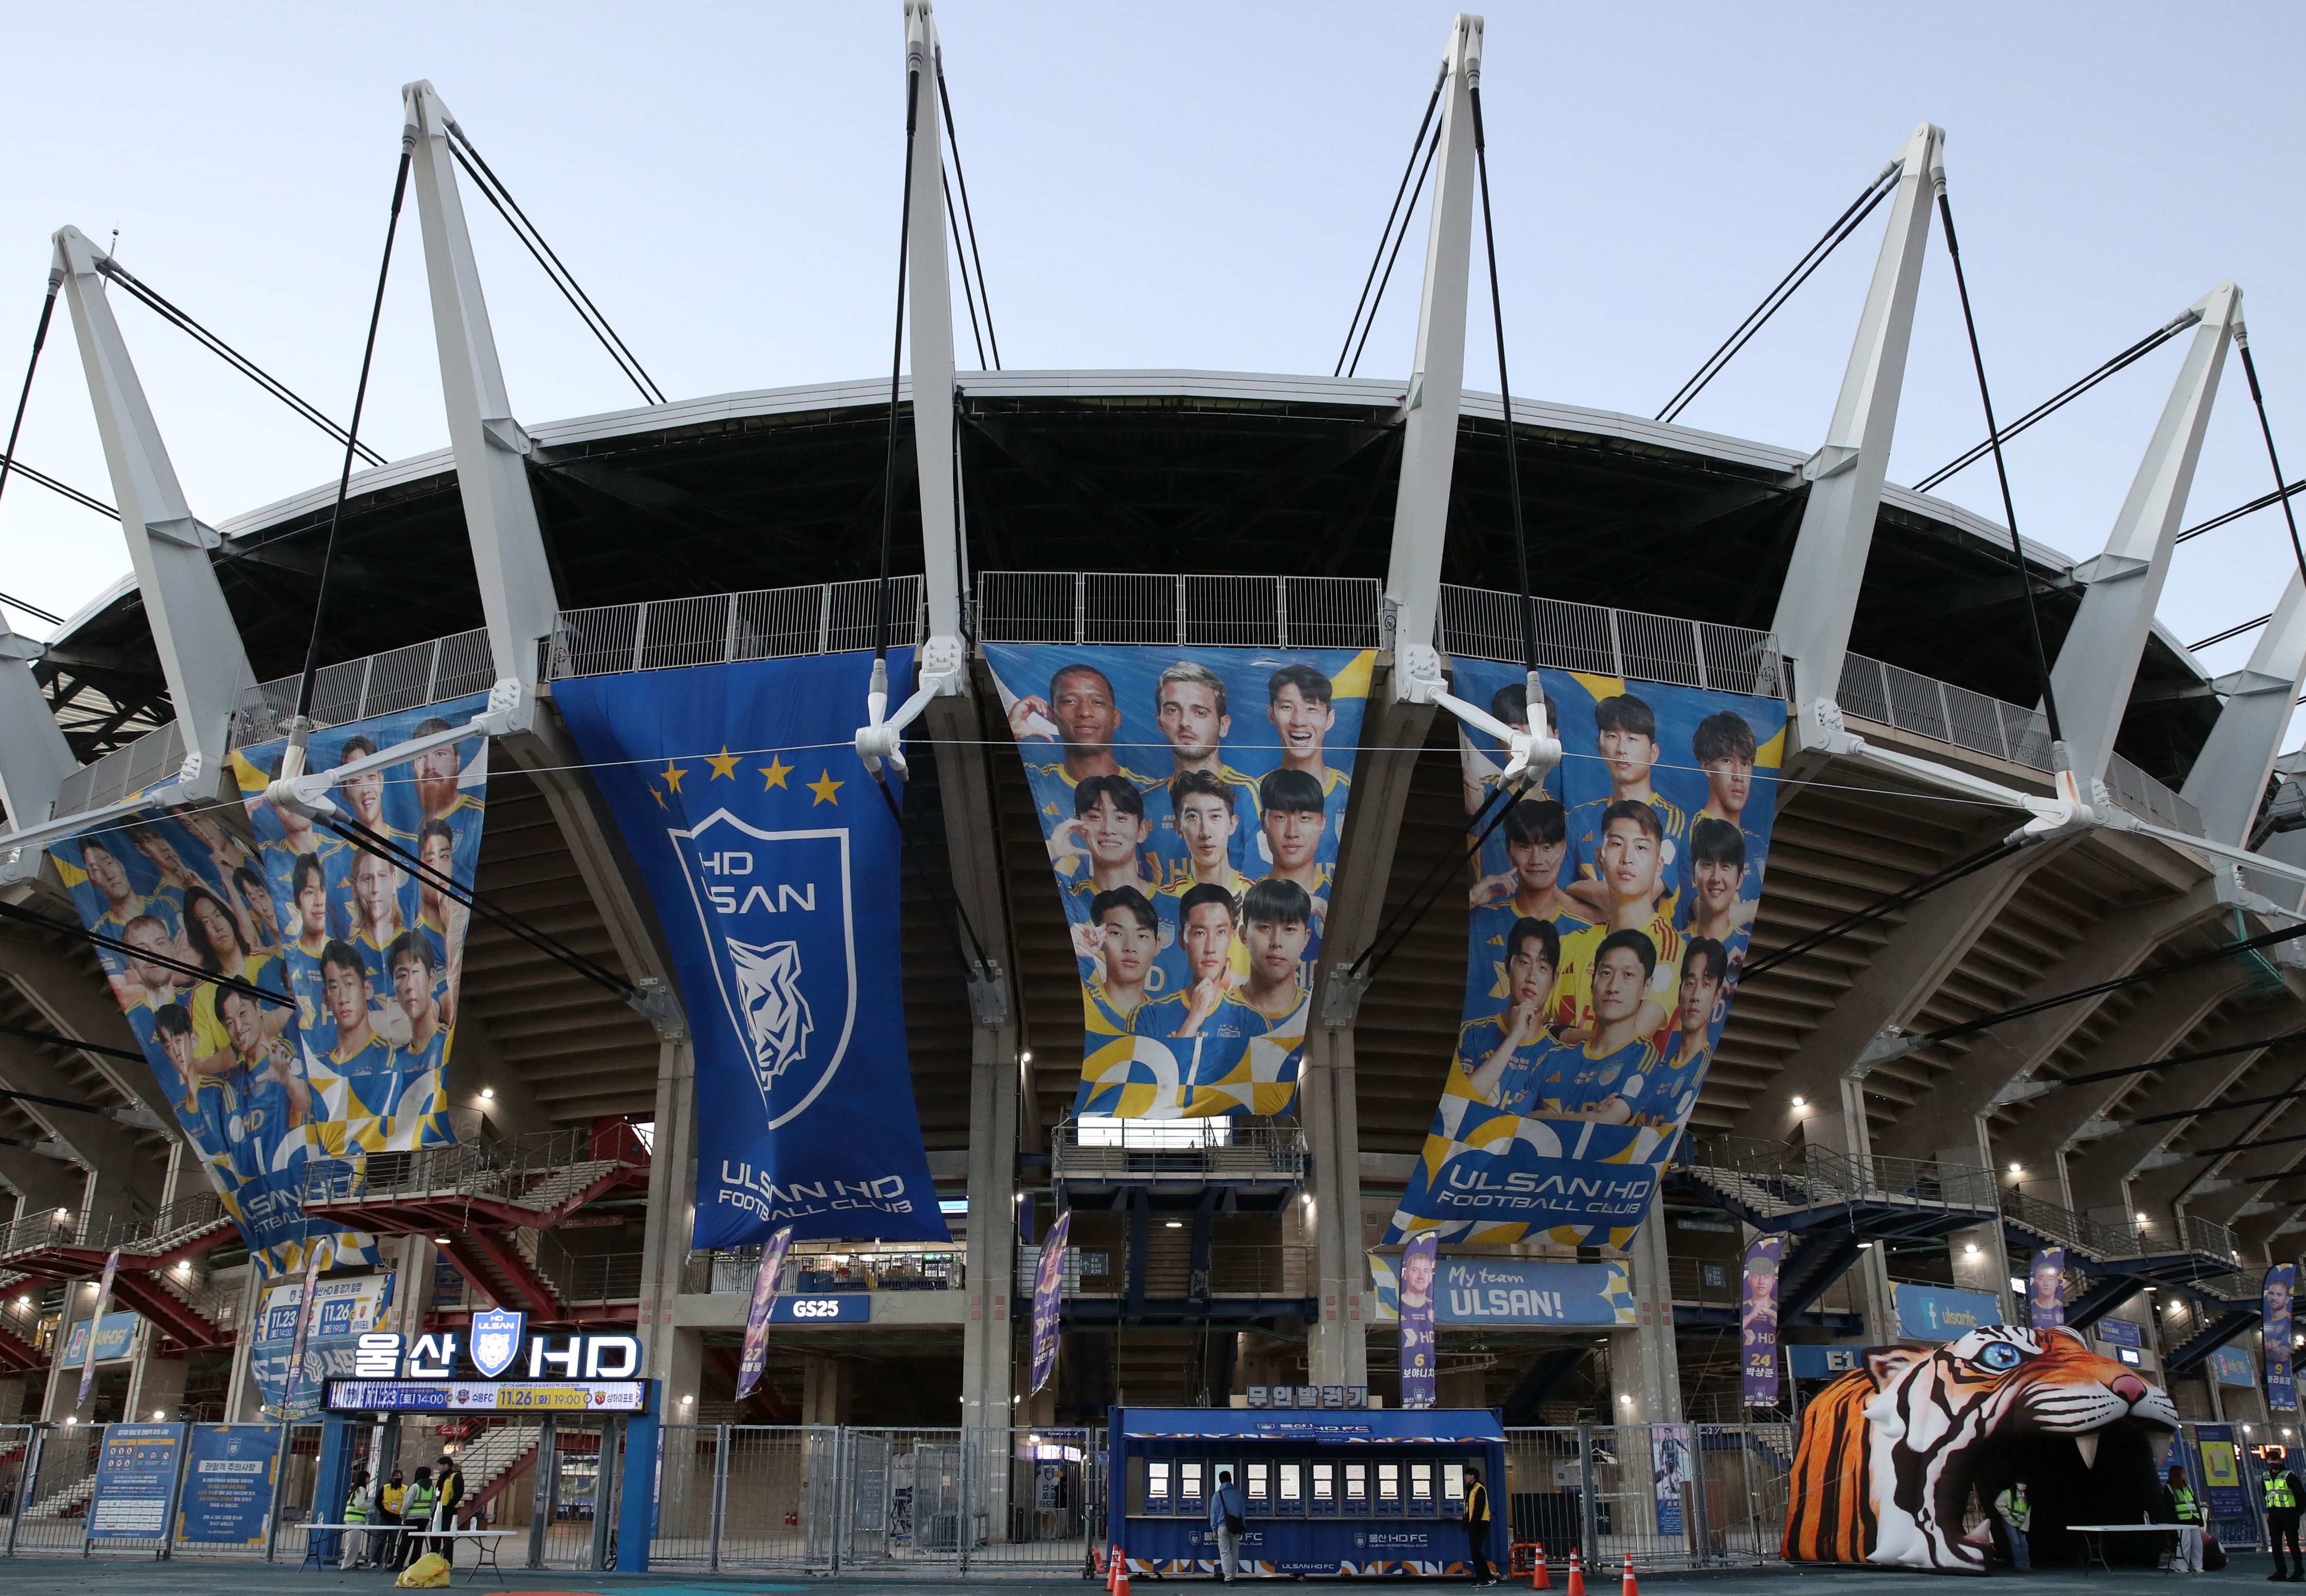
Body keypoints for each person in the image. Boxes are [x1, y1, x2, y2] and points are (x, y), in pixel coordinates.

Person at [1549, 804, 1683, 1042]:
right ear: (1600, 858)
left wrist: (1560, 1034)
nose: (1627, 859)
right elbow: (1528, 1027)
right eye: (1617, 844)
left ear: (1659, 866)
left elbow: (1627, 1041)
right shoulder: (1570, 944)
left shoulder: (1669, 947)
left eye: (1641, 847)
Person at [1566, 693, 1687, 917]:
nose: (1622, 749)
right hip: (1582, 948)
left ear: (1654, 753)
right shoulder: (1578, 817)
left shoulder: (1671, 818)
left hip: (1653, 948)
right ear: (1599, 746)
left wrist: (1575, 888)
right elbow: (1554, 895)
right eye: (1612, 736)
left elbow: (1639, 896)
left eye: (1632, 739)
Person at [1143, 662, 1261, 877]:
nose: (1185, 723)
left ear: (1223, 725)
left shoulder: (1250, 792)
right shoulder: (1146, 800)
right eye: (1172, 710)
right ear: (1159, 722)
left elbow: (1261, 884)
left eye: (1199, 712)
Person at [1538, 931, 1667, 1124]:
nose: (1613, 986)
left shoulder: (1643, 1056)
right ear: (1593, 982)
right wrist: (1589, 1117)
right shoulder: (1558, 1056)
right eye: (1606, 973)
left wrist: (1545, 1117)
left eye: (1628, 975)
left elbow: (1608, 1121)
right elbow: (1521, 1118)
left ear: (1646, 987)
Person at [1458, 918, 1564, 1116]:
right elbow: (1458, 1103)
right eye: (1524, 962)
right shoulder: (1472, 1032)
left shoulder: (1559, 1056)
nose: (1531, 977)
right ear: (1508, 965)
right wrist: (1514, 1037)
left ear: (1554, 980)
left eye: (1543, 968)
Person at [1009, 662, 1153, 788]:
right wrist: (1013, 729)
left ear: (1116, 718)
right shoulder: (1034, 781)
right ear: (1052, 715)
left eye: (1097, 702)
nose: (1085, 712)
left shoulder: (1151, 791)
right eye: (1070, 701)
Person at [1255, 768, 1332, 933]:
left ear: (1323, 822)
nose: (1292, 833)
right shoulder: (1247, 896)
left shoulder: (1337, 895)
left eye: (1304, 818)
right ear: (1263, 822)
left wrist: (1322, 908)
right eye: (1280, 818)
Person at [2265, 1449, 2303, 1581]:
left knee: (2293, 1543)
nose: (2273, 1462)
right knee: (2276, 1544)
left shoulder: (2290, 1476)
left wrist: (2298, 1512)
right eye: (2271, 1460)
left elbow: (2300, 1495)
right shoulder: (2266, 1476)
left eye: (2275, 1459)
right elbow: (2265, 1493)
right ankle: (2280, 1571)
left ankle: (2298, 1572)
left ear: (2280, 1460)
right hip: (2274, 1514)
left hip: (2289, 1514)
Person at [1210, 1465, 1248, 1584]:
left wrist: (1214, 1529)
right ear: (1231, 1480)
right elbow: (1243, 1512)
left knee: (1225, 1552)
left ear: (1220, 1481)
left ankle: (1228, 1578)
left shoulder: (1217, 1495)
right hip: (1235, 1526)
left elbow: (1214, 1514)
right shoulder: (1238, 1494)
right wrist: (1243, 1526)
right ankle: (1233, 1574)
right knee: (1235, 1551)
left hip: (1222, 1527)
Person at [2166, 1462, 2204, 1574]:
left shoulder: (2188, 1488)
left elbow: (2195, 1504)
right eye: (2183, 1473)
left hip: (2193, 1519)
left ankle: (2198, 1565)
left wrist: (2200, 1519)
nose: (2185, 1475)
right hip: (2181, 1521)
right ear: (2177, 1475)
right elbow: (2169, 1507)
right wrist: (2174, 1522)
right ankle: (2181, 1566)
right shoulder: (2169, 1489)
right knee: (2184, 1544)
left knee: (2197, 1544)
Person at [1463, 1465, 1494, 1585]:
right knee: (1474, 1553)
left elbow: (1479, 1509)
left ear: (1473, 1477)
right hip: (1474, 1525)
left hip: (1480, 1524)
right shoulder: (1470, 1490)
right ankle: (1481, 1579)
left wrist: (1472, 1524)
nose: (1465, 1478)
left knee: (1477, 1552)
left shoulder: (1479, 1489)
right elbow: (1468, 1509)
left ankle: (1488, 1578)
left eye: (1467, 1475)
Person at [401, 1467, 437, 1568]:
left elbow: (408, 1503)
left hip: (412, 1517)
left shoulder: (415, 1487)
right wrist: (429, 1513)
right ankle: (414, 1564)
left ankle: (399, 1563)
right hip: (425, 1517)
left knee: (405, 1542)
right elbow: (434, 1502)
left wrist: (403, 1515)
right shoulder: (432, 1488)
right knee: (419, 1542)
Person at [340, 1465, 373, 1569]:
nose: (369, 1479)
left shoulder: (355, 1490)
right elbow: (360, 1505)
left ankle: (350, 1563)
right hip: (356, 1520)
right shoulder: (362, 1490)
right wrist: (372, 1505)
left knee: (352, 1542)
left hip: (351, 1519)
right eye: (368, 1477)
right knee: (353, 1543)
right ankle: (348, 1564)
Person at [1994, 1481, 2031, 1572]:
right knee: (2016, 1543)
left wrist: (2025, 1526)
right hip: (2009, 1520)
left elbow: (2027, 1512)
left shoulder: (2026, 1495)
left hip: (2021, 1522)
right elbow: (1998, 1504)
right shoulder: (2008, 1493)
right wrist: (2007, 1514)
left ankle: (2026, 1565)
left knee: (2024, 1544)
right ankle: (2020, 1566)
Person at [376, 1468, 407, 1569]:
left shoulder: (406, 1489)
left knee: (393, 1541)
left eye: (400, 1477)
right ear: (392, 1478)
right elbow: (378, 1501)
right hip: (385, 1516)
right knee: (381, 1539)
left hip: (397, 1517)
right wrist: (384, 1511)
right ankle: (376, 1560)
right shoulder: (385, 1488)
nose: (398, 1479)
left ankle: (389, 1560)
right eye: (396, 1477)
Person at [435, 1453, 465, 1531]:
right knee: (434, 1535)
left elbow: (459, 1493)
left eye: (440, 1465)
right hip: (438, 1509)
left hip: (449, 1509)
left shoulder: (455, 1476)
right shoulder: (440, 1478)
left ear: (446, 1465)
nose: (438, 1468)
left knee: (447, 1534)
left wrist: (449, 1506)